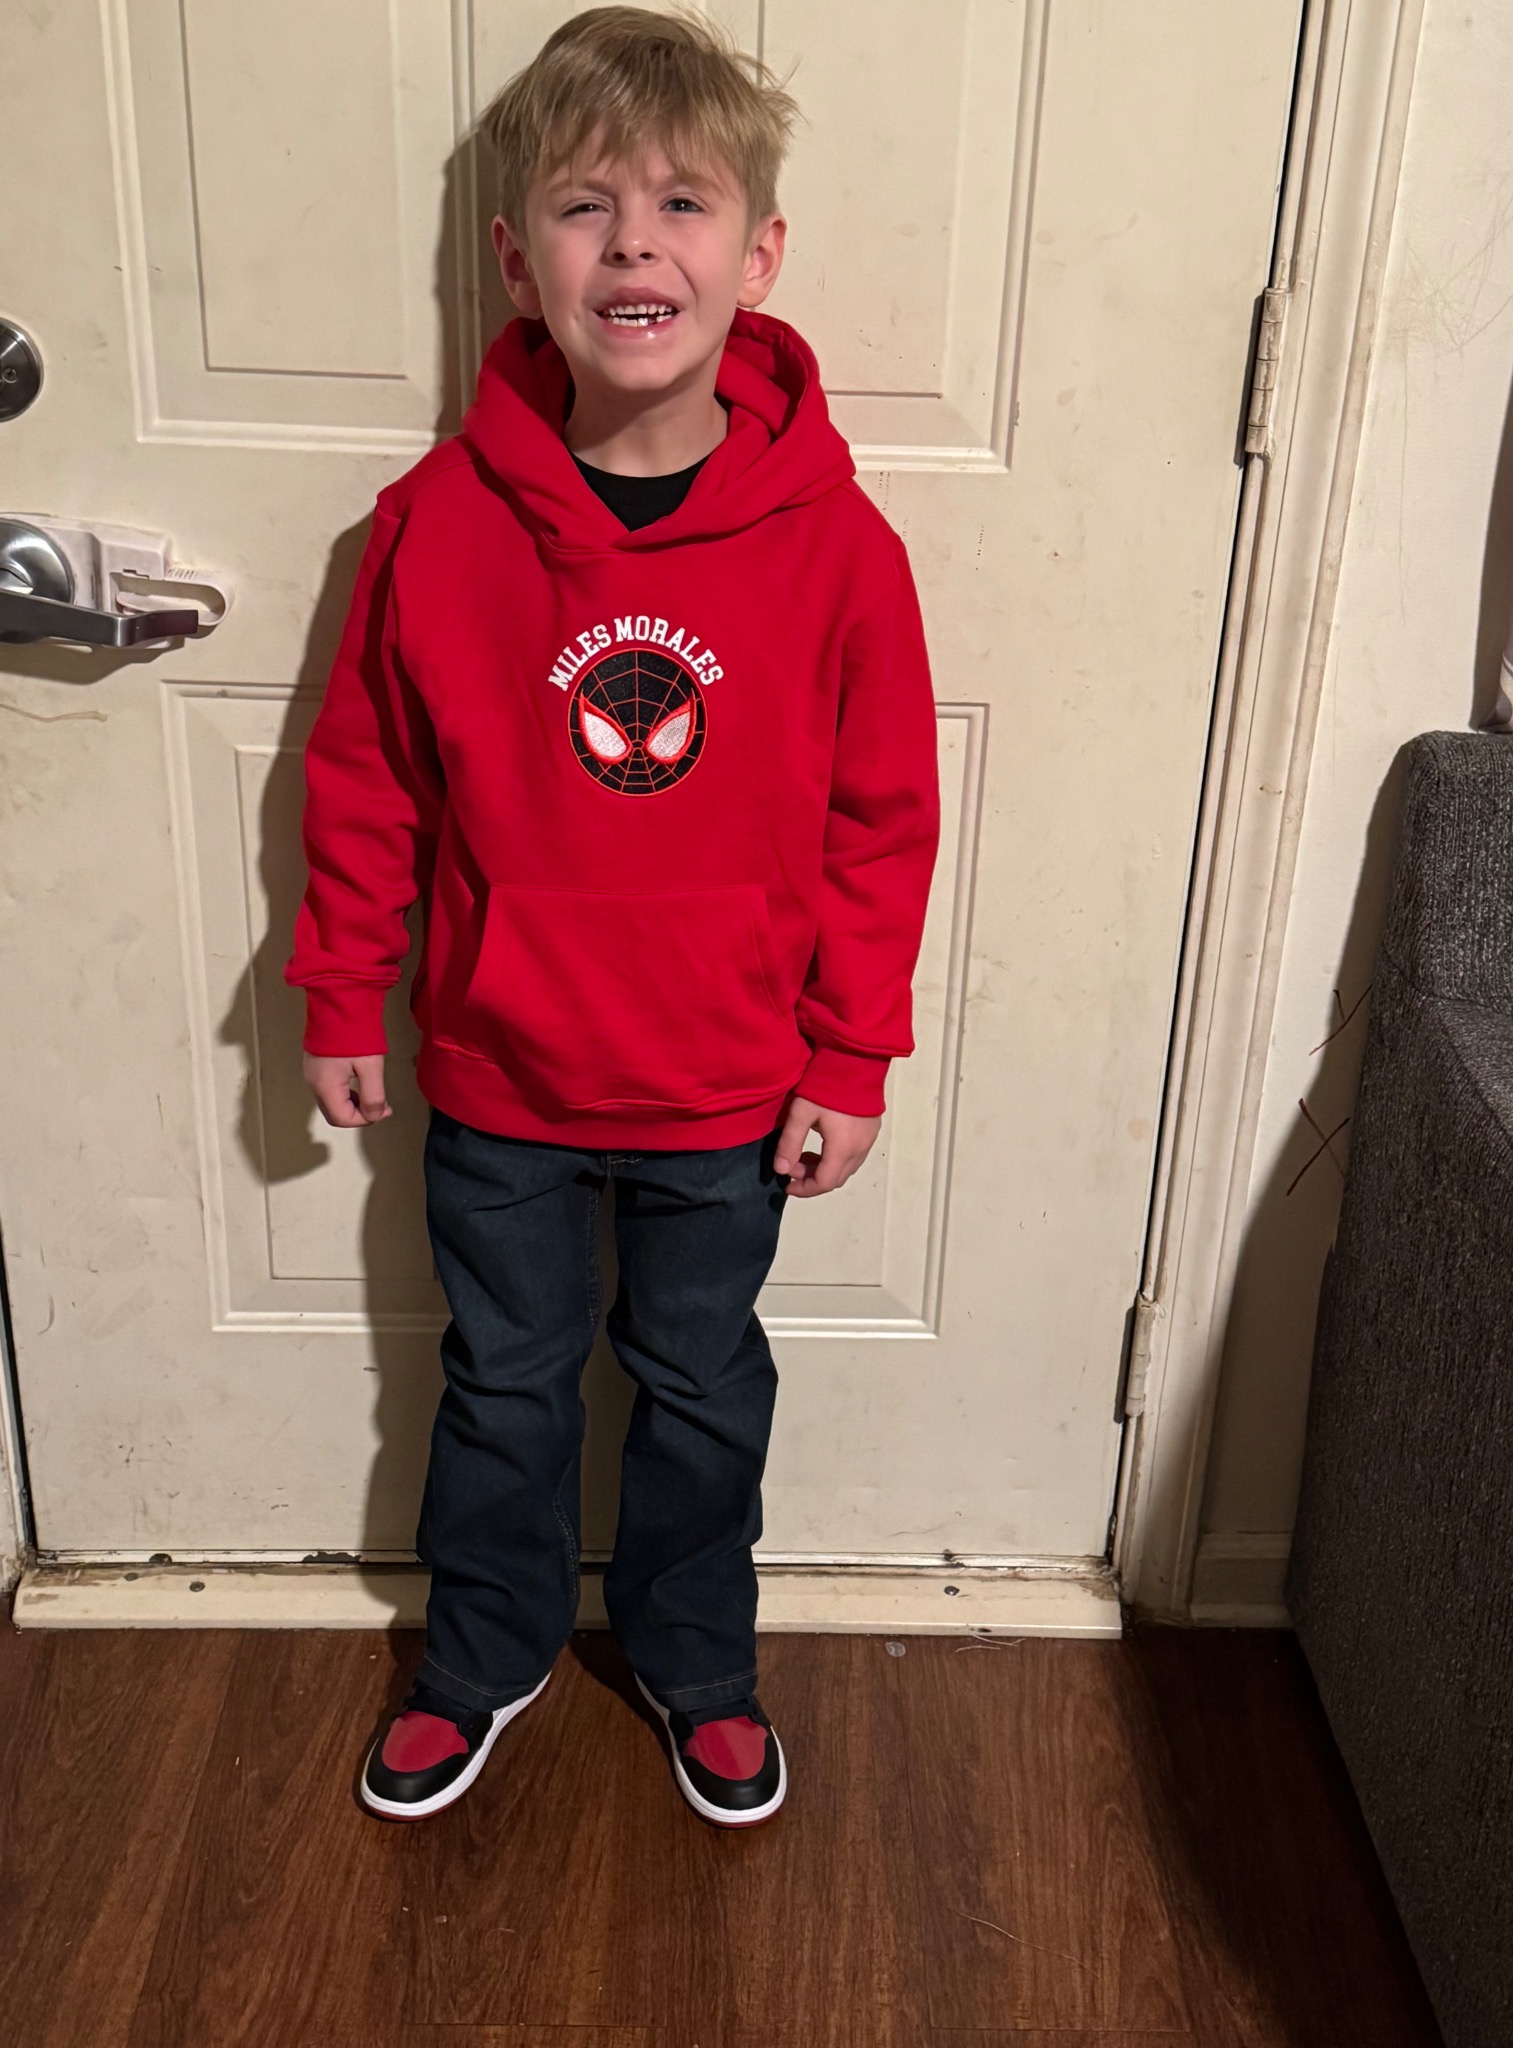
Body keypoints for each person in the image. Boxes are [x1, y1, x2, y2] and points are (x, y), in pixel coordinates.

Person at [285, 5, 940, 1830]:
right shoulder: (436, 525)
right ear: (520, 263)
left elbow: (883, 824)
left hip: (730, 1088)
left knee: (703, 1391)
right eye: (586, 207)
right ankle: (481, 1655)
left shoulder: (839, 548)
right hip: (503, 1076)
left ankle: (696, 1659)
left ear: (759, 254)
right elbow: (368, 777)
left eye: (681, 205)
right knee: (502, 1391)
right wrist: (341, 988)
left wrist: (852, 1053)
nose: (635, 245)